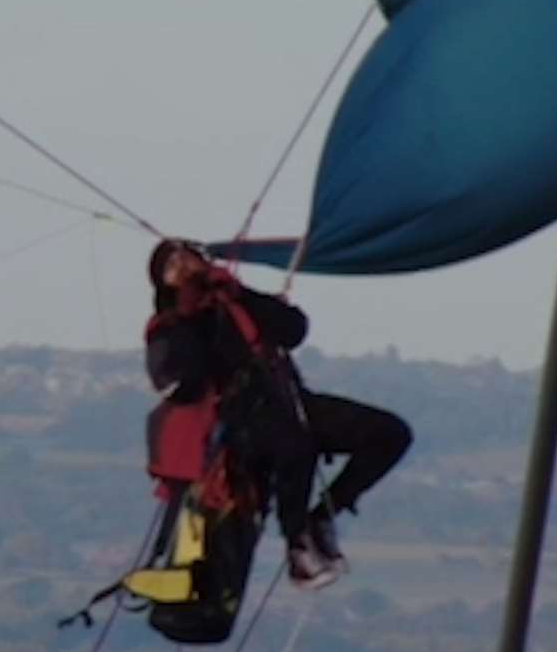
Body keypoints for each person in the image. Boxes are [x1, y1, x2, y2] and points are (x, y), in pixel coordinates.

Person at [144, 238, 413, 589]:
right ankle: (298, 543)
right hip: (237, 428)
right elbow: (184, 382)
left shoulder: (235, 301)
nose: (185, 266)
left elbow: (293, 329)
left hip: (289, 403)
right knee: (293, 443)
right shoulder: (170, 326)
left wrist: (237, 293)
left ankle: (322, 518)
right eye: (173, 265)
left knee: (389, 434)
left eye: (188, 258)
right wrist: (190, 309)